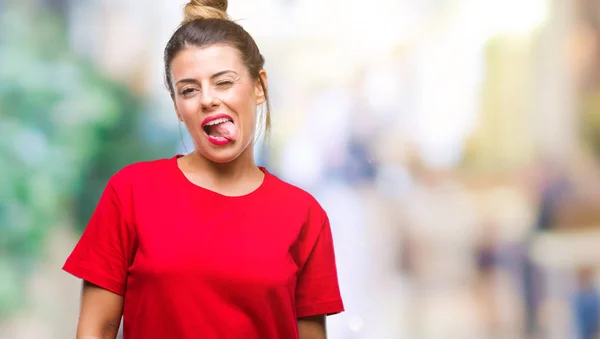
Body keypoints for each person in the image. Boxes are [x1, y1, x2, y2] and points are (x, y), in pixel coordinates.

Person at [62, 1, 344, 338]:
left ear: (259, 86)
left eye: (224, 82)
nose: (207, 99)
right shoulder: (131, 193)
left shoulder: (305, 215)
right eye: (189, 90)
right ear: (178, 108)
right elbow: (96, 328)